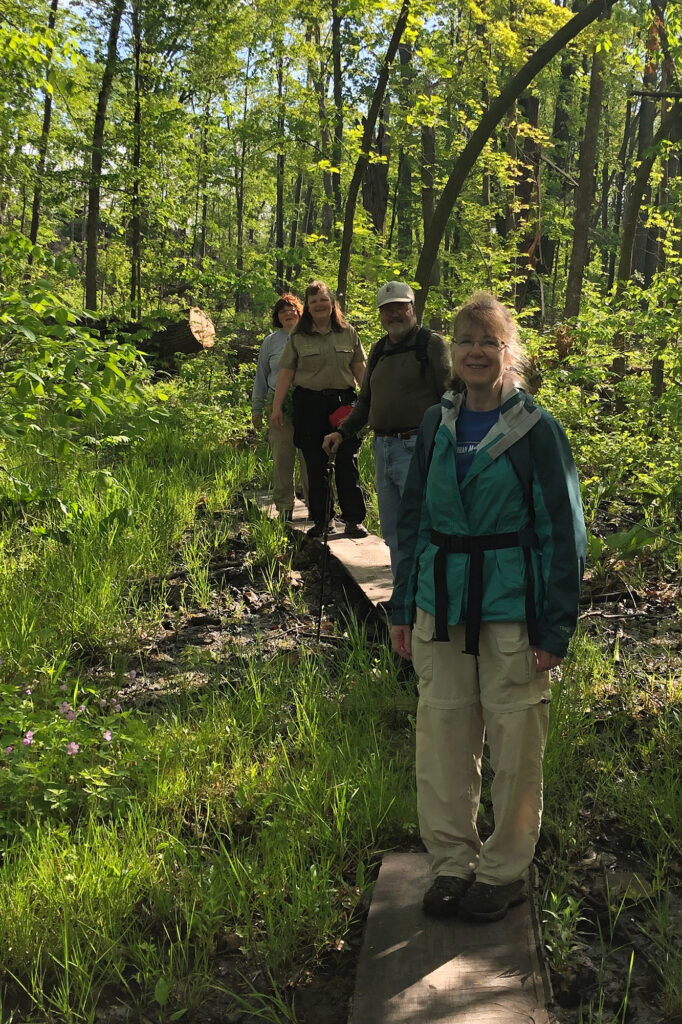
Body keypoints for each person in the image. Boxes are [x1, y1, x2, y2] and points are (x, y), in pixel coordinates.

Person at [391, 291, 586, 923]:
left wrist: (555, 625)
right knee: (442, 733)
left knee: (515, 742)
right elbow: (415, 518)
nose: (476, 352)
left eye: (489, 341)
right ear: (454, 351)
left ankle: (503, 871)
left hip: (511, 608)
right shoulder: (436, 423)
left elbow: (565, 531)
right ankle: (451, 863)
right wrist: (401, 606)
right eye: (466, 340)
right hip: (438, 601)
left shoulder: (535, 429)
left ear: (509, 353)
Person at [322, 282, 451, 575]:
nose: (394, 315)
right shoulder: (379, 349)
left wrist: (444, 445)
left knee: (420, 525)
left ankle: (427, 598)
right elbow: (365, 401)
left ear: (413, 309)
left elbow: (451, 397)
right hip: (383, 448)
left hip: (418, 447)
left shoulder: (430, 344)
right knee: (392, 527)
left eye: (400, 308)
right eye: (388, 310)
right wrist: (342, 432)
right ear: (381, 315)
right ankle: (402, 596)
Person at [270, 280, 368, 538]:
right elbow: (286, 373)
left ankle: (354, 520)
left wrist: (371, 402)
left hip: (343, 404)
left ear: (332, 303)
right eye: (313, 302)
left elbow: (360, 370)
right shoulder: (298, 336)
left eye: (323, 299)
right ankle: (323, 520)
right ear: (308, 308)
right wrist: (276, 407)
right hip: (309, 404)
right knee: (315, 462)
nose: (319, 305)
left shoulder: (348, 332)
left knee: (348, 460)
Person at [251, 294, 308, 521]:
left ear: (300, 311)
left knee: (310, 458)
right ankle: (285, 508)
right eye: (282, 311)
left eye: (292, 309)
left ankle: (316, 508)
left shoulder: (309, 336)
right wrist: (256, 410)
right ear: (277, 317)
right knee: (282, 457)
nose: (288, 313)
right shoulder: (271, 341)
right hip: (279, 405)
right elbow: (261, 376)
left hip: (307, 404)